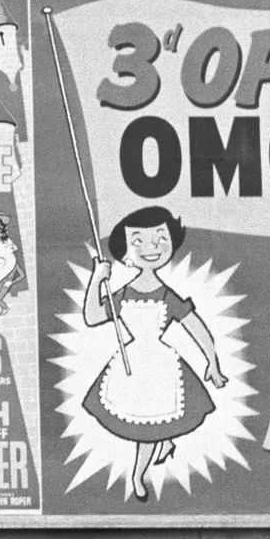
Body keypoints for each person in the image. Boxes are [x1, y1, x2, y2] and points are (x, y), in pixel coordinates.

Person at [81, 205, 225, 501]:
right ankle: (148, 461)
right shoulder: (121, 294)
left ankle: (140, 470)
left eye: (160, 239)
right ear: (125, 254)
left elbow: (195, 327)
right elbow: (93, 316)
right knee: (145, 425)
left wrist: (212, 361)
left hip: (161, 365)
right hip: (131, 365)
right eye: (138, 241)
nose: (151, 247)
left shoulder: (167, 296)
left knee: (159, 420)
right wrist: (97, 278)